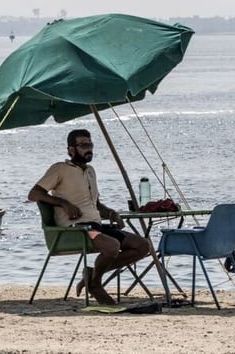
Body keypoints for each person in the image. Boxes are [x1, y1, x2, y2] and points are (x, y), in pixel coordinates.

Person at [28, 129, 150, 305]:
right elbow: (33, 194)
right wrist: (63, 203)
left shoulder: (90, 171)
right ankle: (95, 285)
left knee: (142, 246)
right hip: (76, 229)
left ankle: (92, 275)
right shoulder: (60, 169)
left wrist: (111, 213)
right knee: (112, 246)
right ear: (71, 150)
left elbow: (96, 205)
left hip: (95, 226)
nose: (89, 149)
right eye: (84, 145)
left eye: (90, 144)